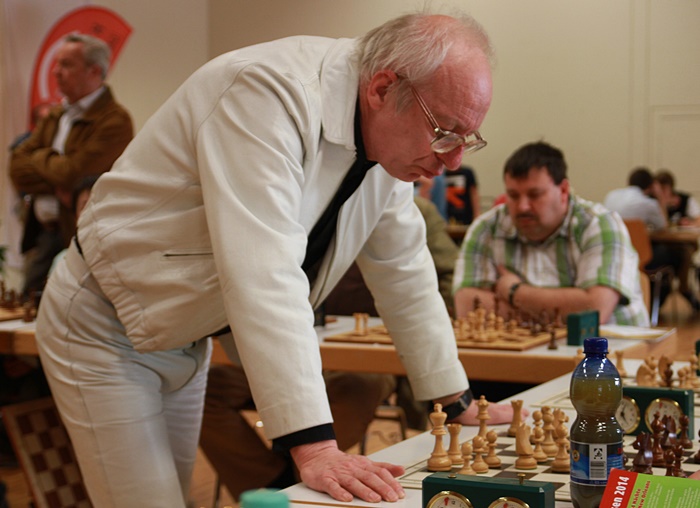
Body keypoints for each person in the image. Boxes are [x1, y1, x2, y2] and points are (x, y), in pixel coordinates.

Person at [34, 13, 519, 507]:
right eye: (445, 132)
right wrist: (315, 447)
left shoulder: (387, 142)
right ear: (381, 89)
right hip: (103, 323)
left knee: (170, 497)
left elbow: (405, 272)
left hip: (184, 332)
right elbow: (262, 271)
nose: (454, 160)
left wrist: (455, 402)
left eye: (466, 139)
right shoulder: (266, 91)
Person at [199, 197, 458, 499]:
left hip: (367, 354)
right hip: (287, 344)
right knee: (205, 386)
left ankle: (304, 474)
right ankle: (276, 484)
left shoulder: (410, 208)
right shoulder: (287, 201)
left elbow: (424, 280)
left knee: (360, 384)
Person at [454, 141, 649, 328]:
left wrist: (514, 292)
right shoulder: (486, 228)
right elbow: (466, 306)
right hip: (524, 355)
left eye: (535, 195)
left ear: (563, 190)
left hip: (611, 356)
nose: (522, 206)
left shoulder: (599, 223)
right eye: (513, 195)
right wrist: (563, 310)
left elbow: (594, 312)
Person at [9, 33, 133, 298]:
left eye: (66, 65)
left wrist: (42, 157)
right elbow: (16, 167)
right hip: (43, 233)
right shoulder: (56, 114)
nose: (56, 72)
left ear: (94, 70)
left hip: (82, 237)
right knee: (27, 305)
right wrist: (58, 181)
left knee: (74, 310)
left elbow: (74, 174)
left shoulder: (115, 120)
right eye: (56, 64)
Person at [603, 167, 668, 231]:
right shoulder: (649, 204)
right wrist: (661, 198)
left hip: (611, 240)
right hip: (636, 241)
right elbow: (663, 226)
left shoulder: (611, 195)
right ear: (651, 187)